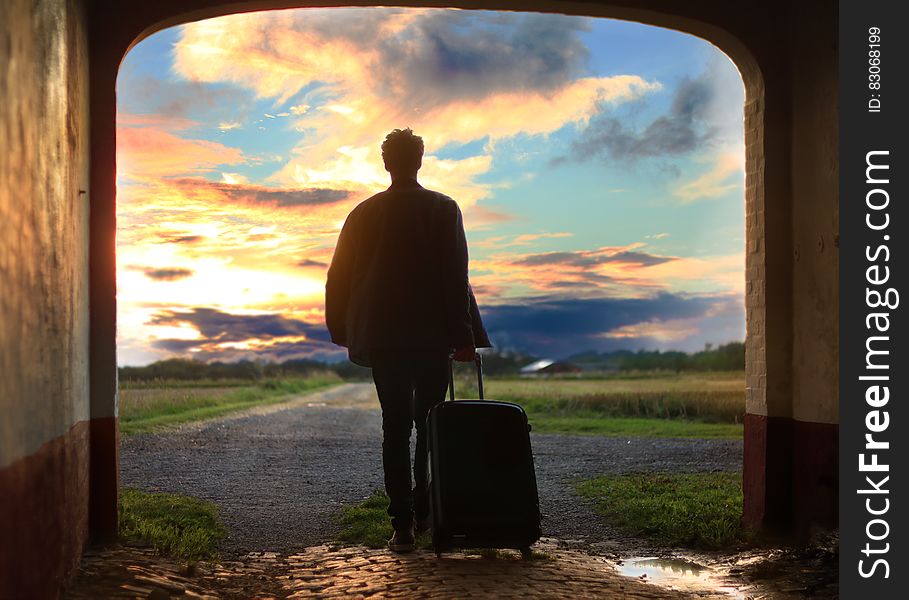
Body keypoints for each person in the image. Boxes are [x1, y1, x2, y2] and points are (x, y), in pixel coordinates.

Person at [325, 128, 491, 553]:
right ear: (420, 160)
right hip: (432, 336)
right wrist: (464, 337)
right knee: (430, 425)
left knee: (394, 428)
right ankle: (424, 514)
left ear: (386, 163)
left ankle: (401, 528)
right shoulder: (443, 208)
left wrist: (343, 330)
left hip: (383, 337)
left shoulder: (362, 214)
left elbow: (338, 276)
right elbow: (456, 279)